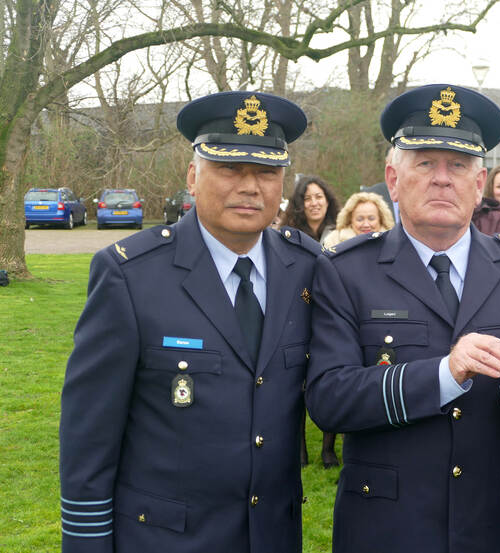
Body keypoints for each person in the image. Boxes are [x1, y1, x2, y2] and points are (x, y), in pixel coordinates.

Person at [305, 83, 500, 553]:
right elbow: (328, 399)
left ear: (479, 183)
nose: (442, 178)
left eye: (459, 165)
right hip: (387, 526)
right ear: (392, 178)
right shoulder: (346, 270)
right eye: (425, 163)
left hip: (496, 526)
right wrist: (444, 374)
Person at [59, 91, 320, 553]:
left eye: (266, 172)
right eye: (229, 169)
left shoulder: (307, 268)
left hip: (273, 535)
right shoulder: (130, 275)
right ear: (192, 177)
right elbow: (89, 433)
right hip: (164, 539)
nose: (249, 187)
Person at [322, 191, 395, 249]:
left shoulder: (393, 241)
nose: (366, 224)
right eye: (360, 219)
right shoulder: (333, 241)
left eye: (371, 219)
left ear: (381, 219)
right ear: (350, 220)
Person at [285, 174, 340, 242]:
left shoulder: (340, 234)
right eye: (307, 199)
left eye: (318, 197)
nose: (314, 203)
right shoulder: (289, 237)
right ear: (299, 204)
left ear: (327, 201)